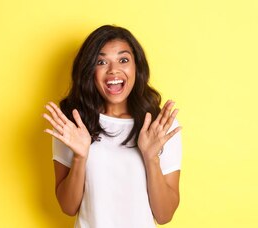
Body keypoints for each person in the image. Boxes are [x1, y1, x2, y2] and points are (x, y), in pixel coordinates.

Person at [42, 25, 182, 228]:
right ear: (90, 70)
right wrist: (80, 156)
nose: (113, 69)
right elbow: (68, 207)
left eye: (123, 60)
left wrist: (151, 158)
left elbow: (165, 215)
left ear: (137, 67)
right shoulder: (72, 124)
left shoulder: (159, 127)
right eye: (101, 61)